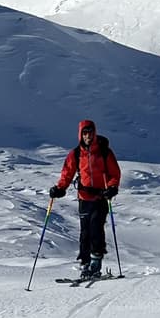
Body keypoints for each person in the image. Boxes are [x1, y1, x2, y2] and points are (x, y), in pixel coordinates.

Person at [50, 118, 121, 278]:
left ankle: (95, 263)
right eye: (84, 133)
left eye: (90, 132)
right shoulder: (75, 154)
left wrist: (112, 187)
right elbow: (67, 173)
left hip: (101, 197)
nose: (87, 136)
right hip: (84, 196)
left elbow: (114, 173)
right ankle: (85, 263)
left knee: (96, 227)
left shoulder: (104, 152)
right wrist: (59, 189)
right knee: (85, 232)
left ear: (94, 133)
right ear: (80, 135)